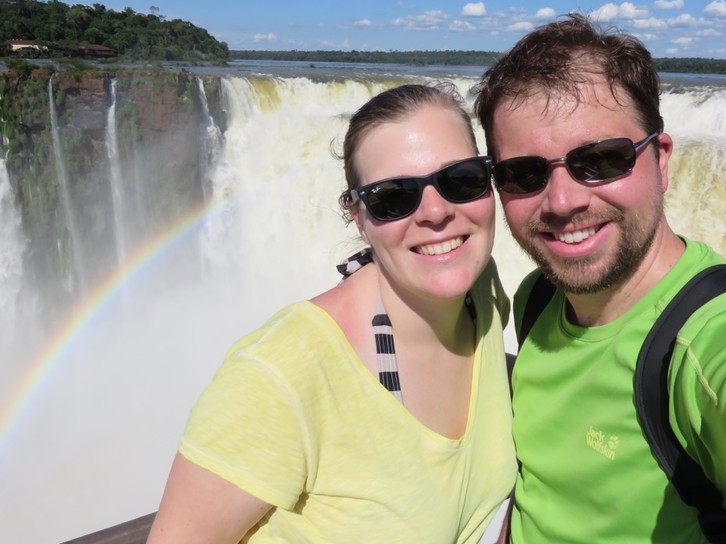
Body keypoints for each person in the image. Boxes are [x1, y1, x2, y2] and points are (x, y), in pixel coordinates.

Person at [473, 14, 726, 543]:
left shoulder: (716, 341)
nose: (562, 202)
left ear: (661, 159)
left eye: (601, 160)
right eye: (525, 173)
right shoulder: (538, 299)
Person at [147, 83, 516, 544]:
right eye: (393, 197)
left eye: (461, 179)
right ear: (359, 218)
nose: (437, 212)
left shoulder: (481, 291)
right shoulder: (280, 376)